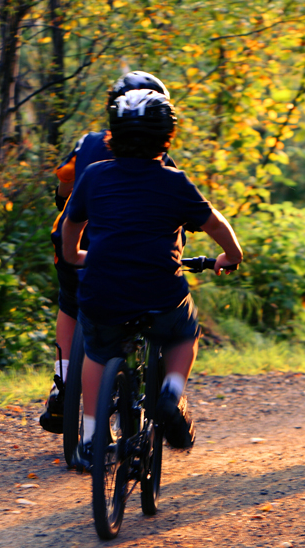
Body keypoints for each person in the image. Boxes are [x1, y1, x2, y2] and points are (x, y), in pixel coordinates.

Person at [60, 89, 243, 468]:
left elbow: (70, 222)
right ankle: (172, 395)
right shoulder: (175, 182)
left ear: (112, 135)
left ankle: (93, 437)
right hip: (160, 293)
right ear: (167, 138)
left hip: (103, 293)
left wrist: (74, 255)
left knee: (98, 350)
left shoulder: (93, 176)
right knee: (184, 331)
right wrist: (232, 255)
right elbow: (214, 224)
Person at [39, 72, 174, 434]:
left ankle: (62, 384)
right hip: (137, 259)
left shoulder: (89, 144)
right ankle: (159, 388)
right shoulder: (164, 160)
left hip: (77, 248)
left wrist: (65, 198)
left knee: (70, 305)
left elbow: (64, 179)